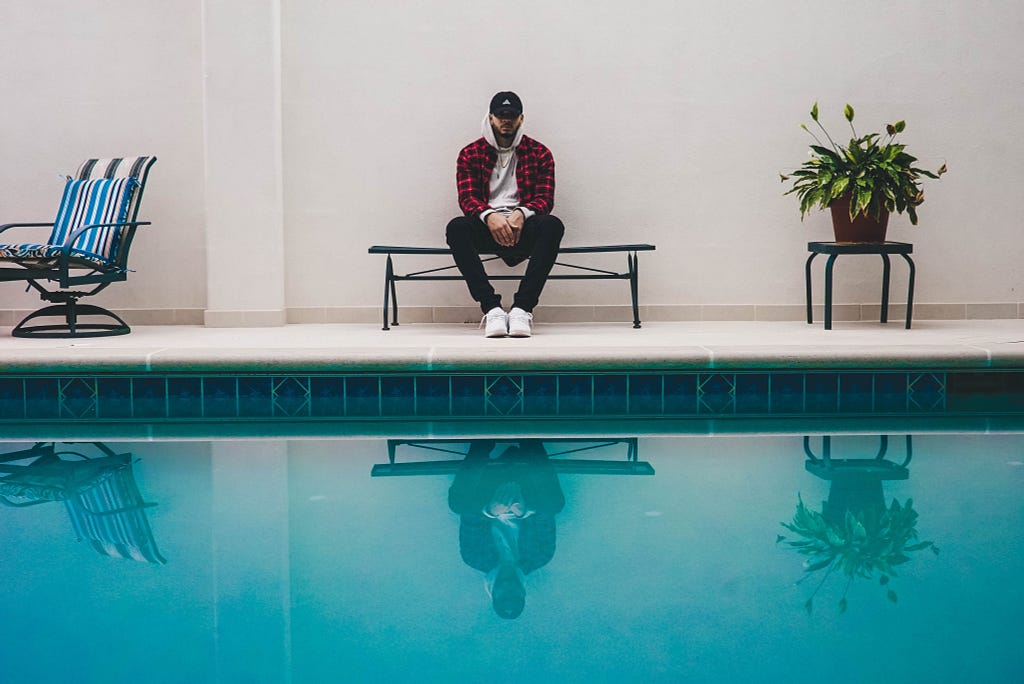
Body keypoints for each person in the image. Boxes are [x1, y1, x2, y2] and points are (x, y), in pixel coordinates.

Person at [446, 91, 565, 338]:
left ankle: (522, 308)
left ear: (521, 119)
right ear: (490, 118)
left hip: (525, 227)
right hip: (486, 226)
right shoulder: (470, 153)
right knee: (457, 228)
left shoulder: (539, 153)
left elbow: (545, 199)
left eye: (511, 115)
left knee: (552, 225)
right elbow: (467, 199)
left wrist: (521, 214)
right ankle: (492, 310)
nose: (506, 120)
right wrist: (490, 217)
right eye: (500, 115)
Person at [448, 440, 566, 619]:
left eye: (504, 597)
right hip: (526, 490)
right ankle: (530, 438)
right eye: (514, 596)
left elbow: (469, 519)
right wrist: (524, 511)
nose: (508, 591)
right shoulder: (540, 557)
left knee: (458, 504)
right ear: (523, 594)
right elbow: (547, 518)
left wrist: (491, 510)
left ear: (494, 594)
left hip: (487, 490)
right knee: (554, 505)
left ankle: (482, 442)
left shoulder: (474, 558)